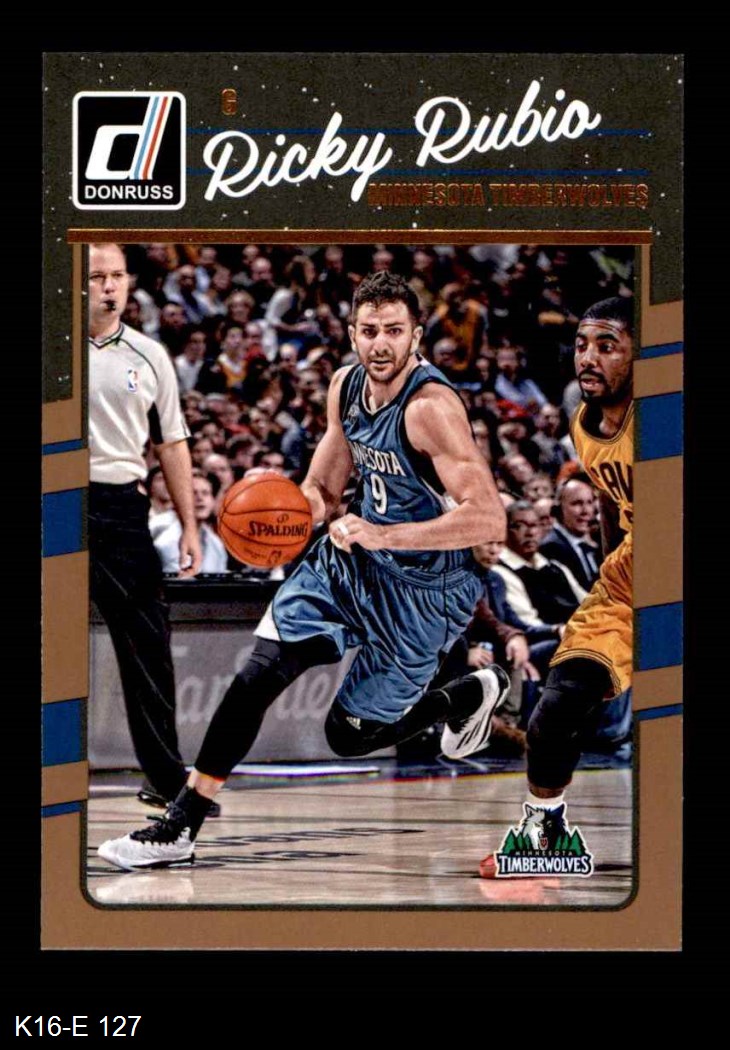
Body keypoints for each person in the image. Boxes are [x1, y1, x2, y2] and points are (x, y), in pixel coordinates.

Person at [98, 270, 510, 870]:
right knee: (258, 673)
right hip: (353, 562)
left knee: (350, 735)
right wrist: (286, 510)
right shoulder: (345, 386)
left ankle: (471, 693)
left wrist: (384, 534)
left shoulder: (431, 409)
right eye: (369, 330)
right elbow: (323, 489)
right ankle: (180, 825)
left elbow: (489, 519)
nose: (380, 344)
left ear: (417, 336)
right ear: (351, 332)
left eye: (394, 331)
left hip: (427, 587)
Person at [479, 296, 634, 878]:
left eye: (607, 346)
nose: (588, 358)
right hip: (629, 580)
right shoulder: (584, 424)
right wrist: (609, 570)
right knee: (556, 704)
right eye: (582, 345)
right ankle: (545, 835)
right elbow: (610, 504)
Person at [87, 243, 206, 814]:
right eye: (96, 276)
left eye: (117, 275)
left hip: (119, 507)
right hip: (55, 500)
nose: (109, 286)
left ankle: (165, 778)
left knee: (148, 644)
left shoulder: (149, 354)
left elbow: (172, 443)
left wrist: (190, 525)